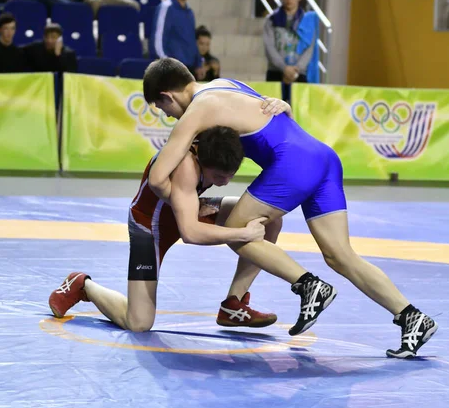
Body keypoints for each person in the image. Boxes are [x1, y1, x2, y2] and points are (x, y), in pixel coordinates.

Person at [142, 57, 439, 358]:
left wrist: (193, 204)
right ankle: (412, 318)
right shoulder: (228, 85)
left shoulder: (197, 111)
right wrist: (287, 106)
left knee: (237, 230)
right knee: (340, 255)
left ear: (167, 95)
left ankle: (308, 286)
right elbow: (275, 116)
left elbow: (156, 178)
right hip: (322, 157)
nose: (168, 116)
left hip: (293, 163)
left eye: (163, 109)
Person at [49, 102, 294, 332]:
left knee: (269, 220)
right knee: (139, 323)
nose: (224, 183)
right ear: (201, 159)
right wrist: (242, 234)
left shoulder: (216, 141)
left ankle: (234, 302)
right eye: (219, 178)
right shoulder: (186, 165)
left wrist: (284, 109)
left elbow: (250, 114)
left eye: (231, 176)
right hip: (150, 227)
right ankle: (83, 284)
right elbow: (191, 233)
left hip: (189, 208)